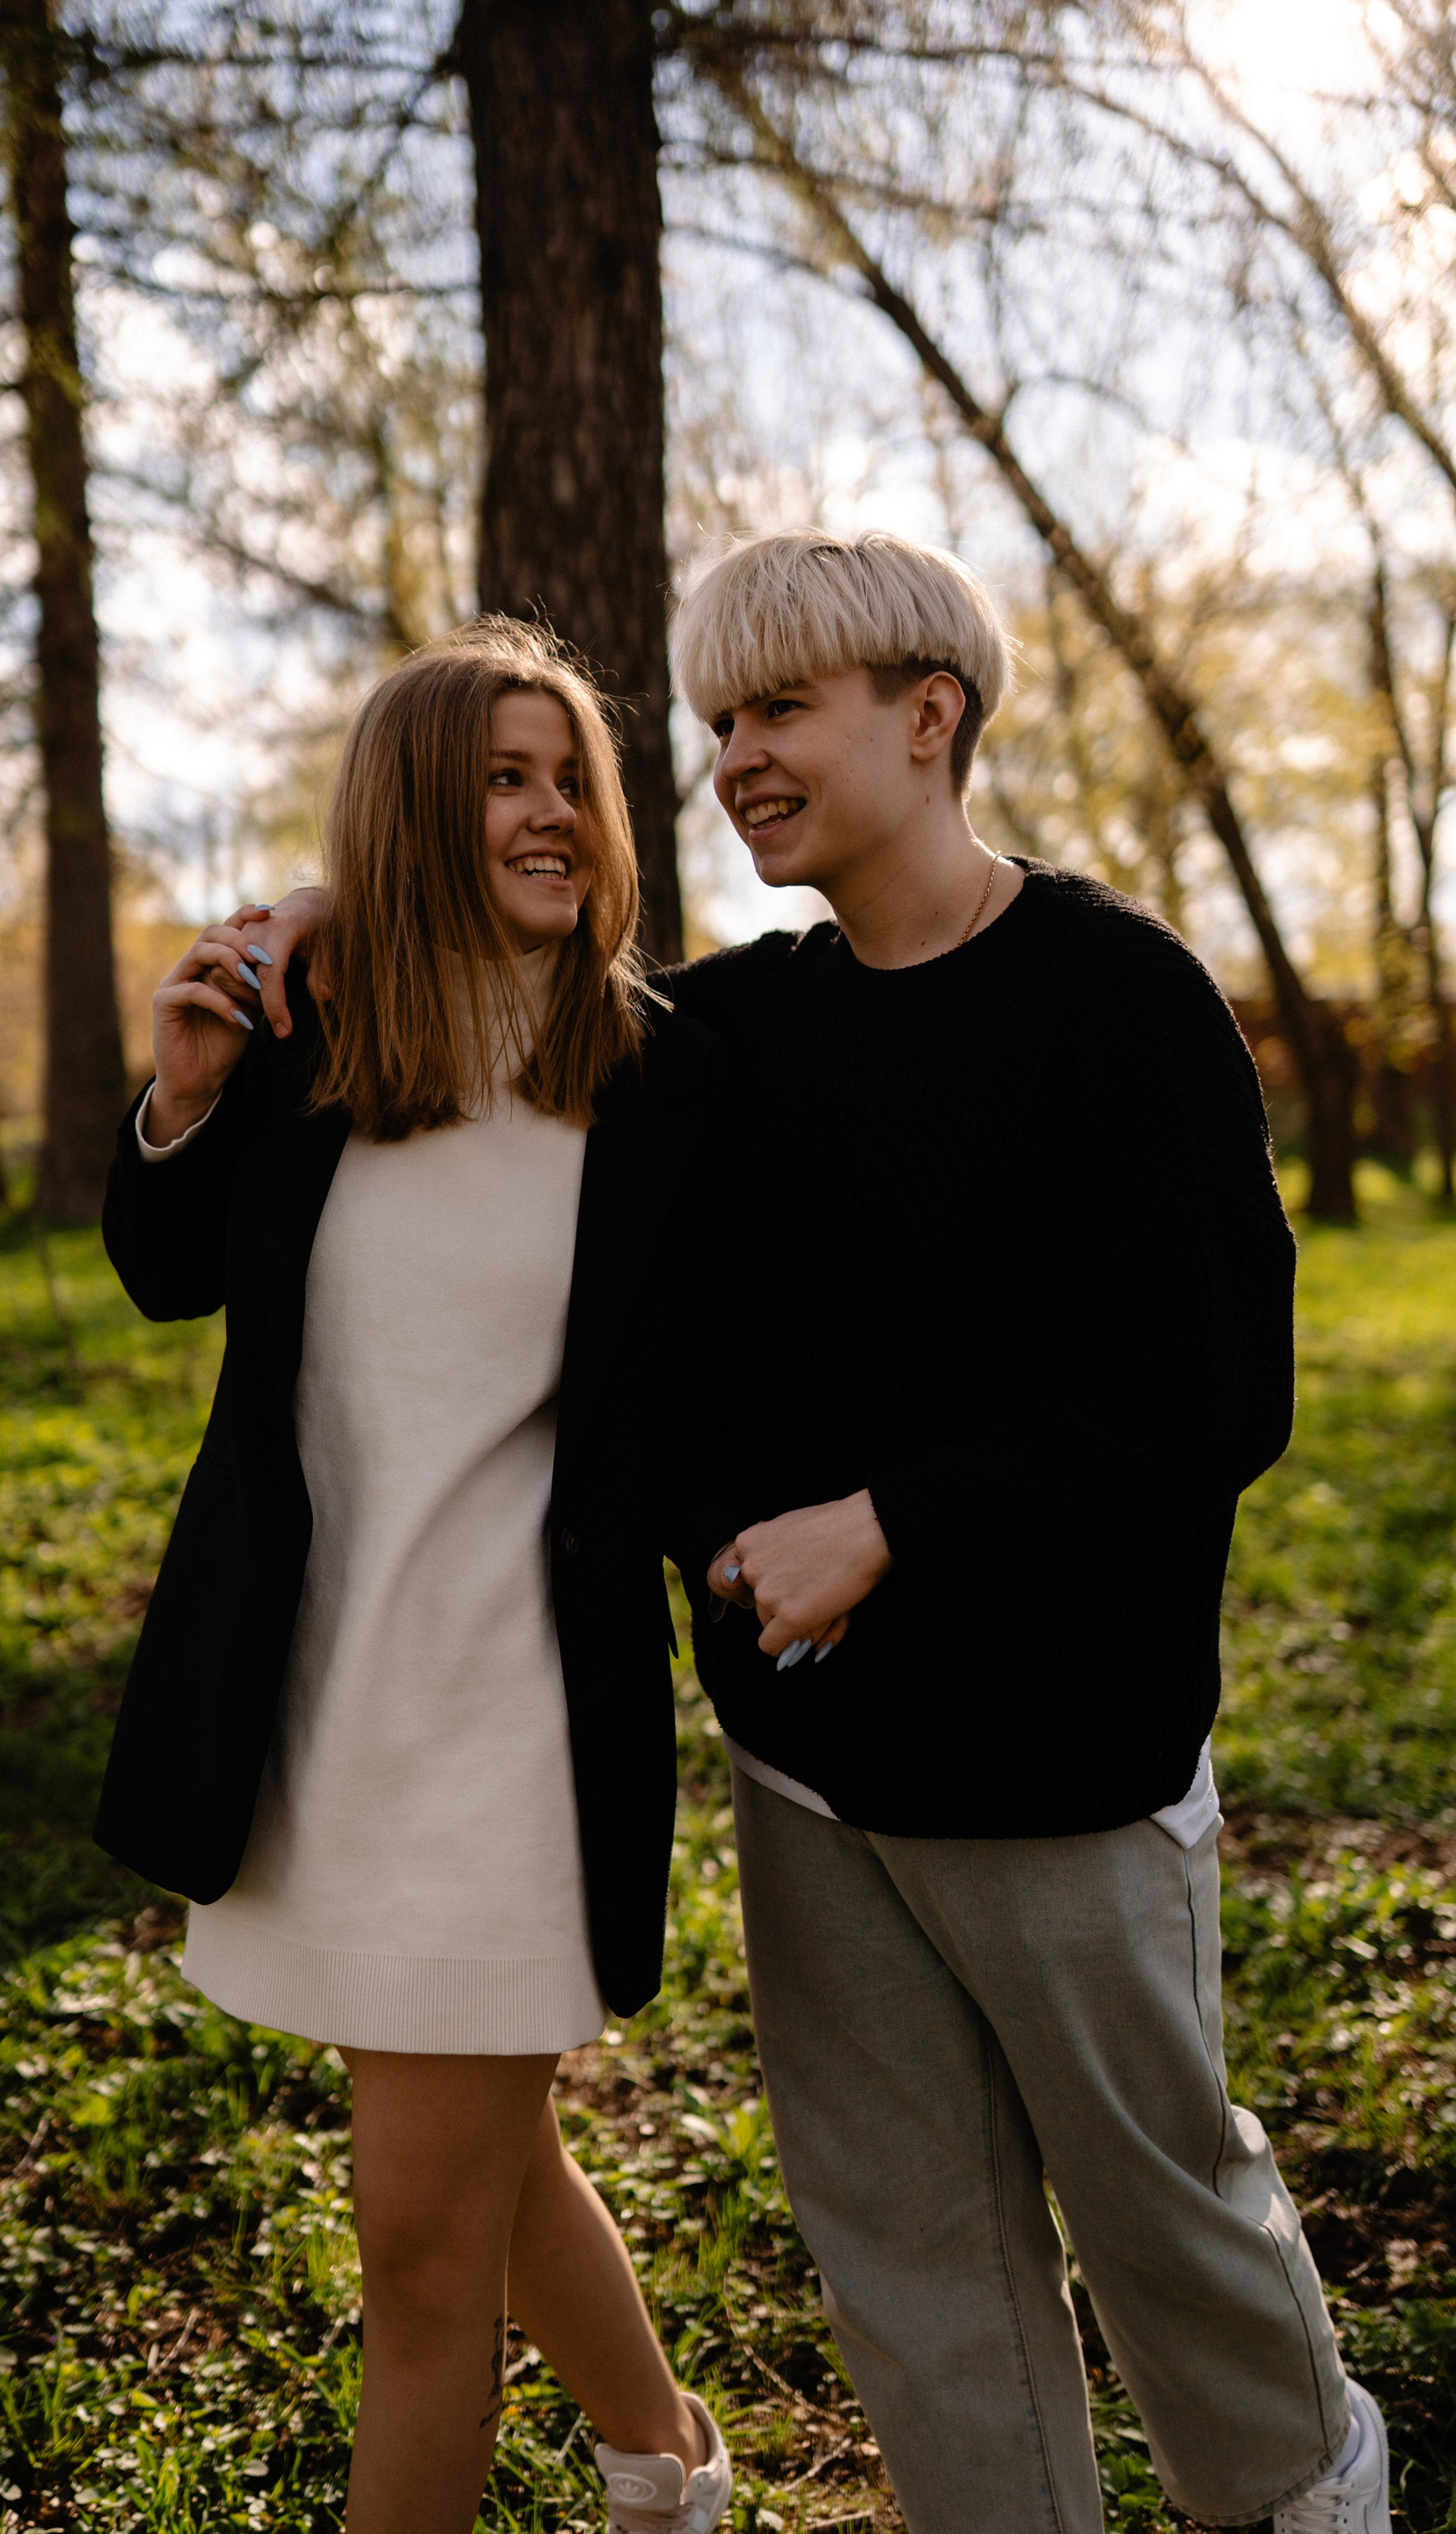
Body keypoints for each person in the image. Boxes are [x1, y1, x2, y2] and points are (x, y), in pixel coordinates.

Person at [662, 529, 1388, 2534]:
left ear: (931, 715)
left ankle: (1306, 2496)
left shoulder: (1119, 996)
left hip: (1065, 1761)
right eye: (719, 718)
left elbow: (1216, 1388)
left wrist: (894, 1526)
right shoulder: (729, 1033)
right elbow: (640, 1310)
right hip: (810, 1764)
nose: (736, 756)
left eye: (780, 707)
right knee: (905, 2245)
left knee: (1165, 2210)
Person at [97, 620, 735, 2534]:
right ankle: (671, 2470)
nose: (552, 815)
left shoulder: (663, 1073)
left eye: (571, 782)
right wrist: (185, 1093)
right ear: (410, 817)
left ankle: (664, 2476)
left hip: (513, 1724)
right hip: (319, 1707)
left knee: (419, 2255)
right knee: (486, 2160)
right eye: (501, 781)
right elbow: (167, 1274)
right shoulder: (311, 1041)